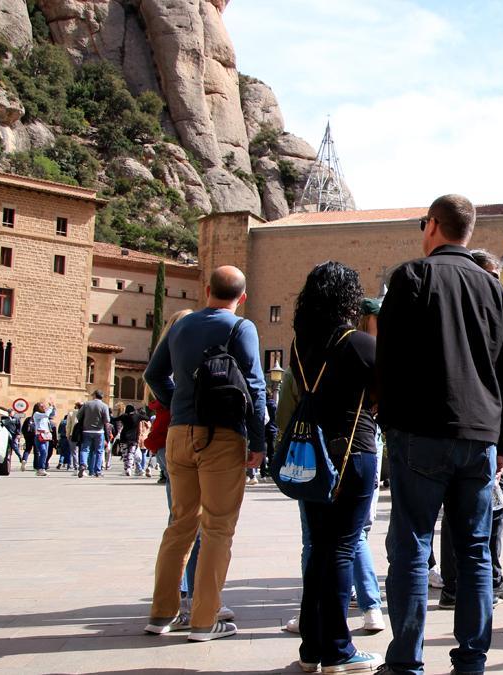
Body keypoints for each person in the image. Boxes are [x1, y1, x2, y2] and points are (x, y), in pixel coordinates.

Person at [378, 194, 503, 675]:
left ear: (433, 225)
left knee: (413, 545)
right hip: (479, 436)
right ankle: (472, 661)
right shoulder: (498, 292)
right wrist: (501, 440)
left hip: (420, 430)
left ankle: (405, 661)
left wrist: (390, 424)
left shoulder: (412, 276)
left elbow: (389, 359)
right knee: (475, 550)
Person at [143, 265, 267, 642]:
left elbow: (153, 374)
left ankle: (162, 615)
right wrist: (259, 442)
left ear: (206, 289)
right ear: (242, 298)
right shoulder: (240, 328)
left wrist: (179, 403)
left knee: (179, 526)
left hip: (179, 434)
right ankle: (203, 619)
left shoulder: (180, 326)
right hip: (222, 436)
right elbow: (256, 386)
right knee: (217, 529)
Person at [282, 262, 382, 673]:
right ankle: (339, 651)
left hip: (314, 458)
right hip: (352, 454)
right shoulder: (359, 343)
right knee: (341, 549)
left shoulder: (298, 345)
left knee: (319, 551)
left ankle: (311, 648)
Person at [438, 250, 503, 606]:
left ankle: (458, 585)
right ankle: (478, 583)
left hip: (464, 430)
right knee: (485, 511)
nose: (496, 284)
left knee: (468, 509)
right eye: (491, 275)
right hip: (478, 433)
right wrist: (501, 442)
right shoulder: (497, 314)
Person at [78, 391, 111, 478]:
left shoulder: (86, 404)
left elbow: (78, 415)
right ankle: (98, 471)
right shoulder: (104, 406)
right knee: (99, 451)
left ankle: (83, 464)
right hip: (99, 431)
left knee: (85, 449)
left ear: (95, 395)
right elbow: (107, 420)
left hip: (86, 430)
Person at [116, 404, 143, 477]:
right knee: (131, 454)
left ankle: (126, 469)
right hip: (133, 439)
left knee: (125, 454)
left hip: (124, 438)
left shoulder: (123, 416)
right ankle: (129, 469)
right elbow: (146, 418)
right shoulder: (137, 416)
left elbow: (114, 419)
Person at [31, 402, 56, 476]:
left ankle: (42, 468)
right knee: (43, 451)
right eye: (42, 406)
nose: (44, 407)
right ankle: (40, 468)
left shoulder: (45, 416)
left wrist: (53, 407)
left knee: (45, 453)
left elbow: (52, 414)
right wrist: (50, 408)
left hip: (46, 436)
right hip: (39, 436)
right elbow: (46, 414)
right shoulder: (37, 414)